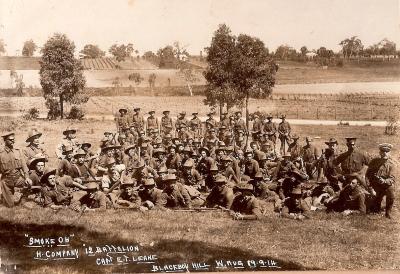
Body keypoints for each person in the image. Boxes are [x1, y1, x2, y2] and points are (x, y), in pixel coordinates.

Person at [0, 132, 32, 207]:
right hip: (6, 181)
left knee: (29, 183)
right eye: (11, 140)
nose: (13, 141)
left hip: (18, 178)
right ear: (5, 140)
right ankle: (6, 196)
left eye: (13, 139)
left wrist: (27, 177)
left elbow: (24, 166)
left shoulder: (18, 151)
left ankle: (21, 198)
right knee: (10, 205)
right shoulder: (1, 154)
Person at [366, 143, 396, 218]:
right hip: (375, 185)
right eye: (383, 151)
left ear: (389, 152)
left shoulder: (391, 164)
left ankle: (388, 212)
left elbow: (392, 178)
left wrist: (384, 181)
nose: (385, 153)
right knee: (374, 210)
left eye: (387, 151)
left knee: (391, 193)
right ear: (380, 152)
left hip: (385, 185)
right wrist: (370, 188)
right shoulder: (374, 162)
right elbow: (367, 175)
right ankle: (376, 204)